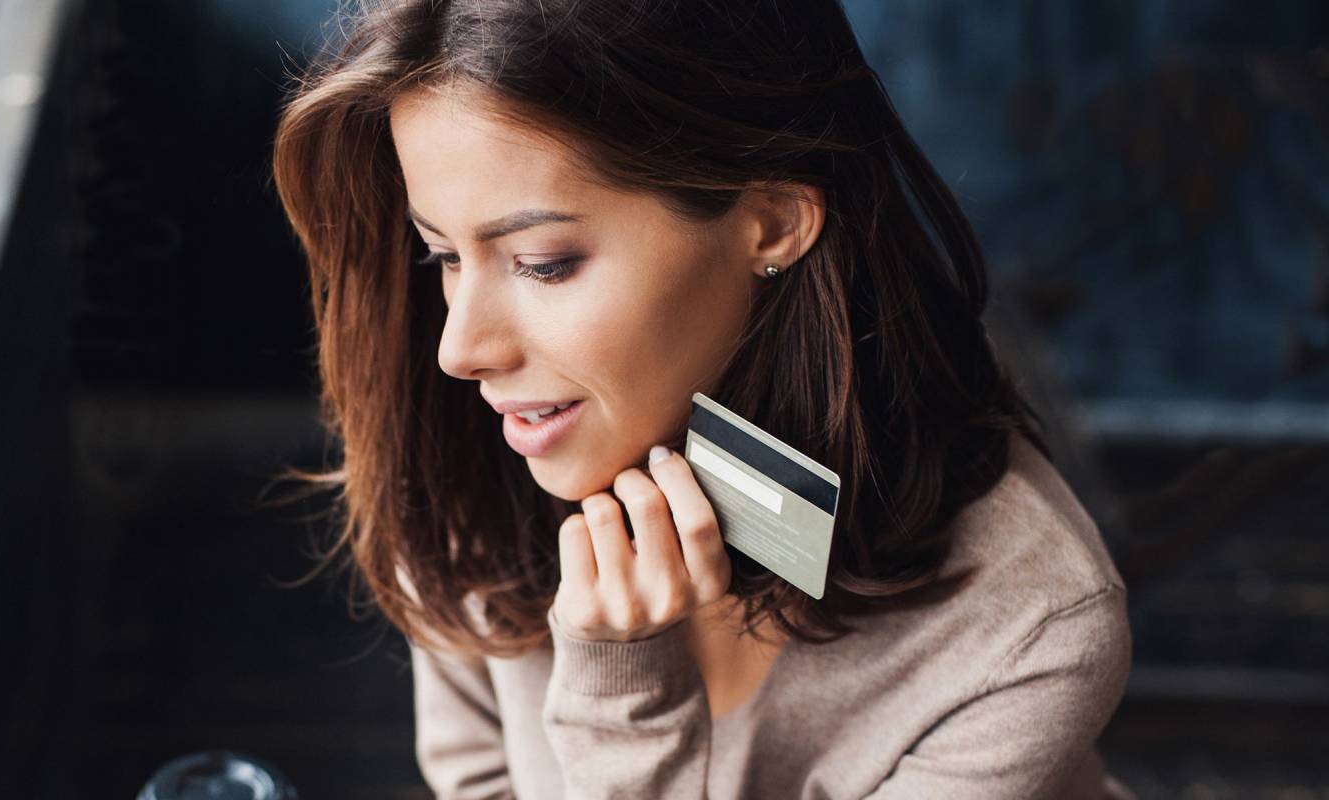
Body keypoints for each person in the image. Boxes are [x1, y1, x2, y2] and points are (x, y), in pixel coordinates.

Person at [267, 0, 1135, 797]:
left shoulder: (1030, 623)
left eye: (543, 263)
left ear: (772, 223)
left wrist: (622, 696)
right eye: (443, 256)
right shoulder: (466, 453)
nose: (461, 349)